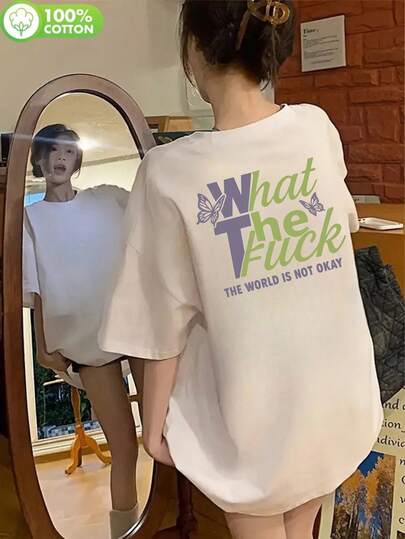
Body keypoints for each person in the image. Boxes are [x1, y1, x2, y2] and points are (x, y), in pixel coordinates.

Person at [99, 1, 384, 538]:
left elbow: (158, 323)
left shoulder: (169, 171)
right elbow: (339, 231)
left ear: (193, 49)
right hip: (335, 401)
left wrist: (152, 426)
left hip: (254, 422)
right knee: (302, 524)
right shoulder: (315, 128)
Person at [23, 124, 144, 539]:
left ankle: (171, 516)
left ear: (77, 160)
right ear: (39, 160)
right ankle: (124, 531)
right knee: (123, 445)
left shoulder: (107, 198)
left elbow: (155, 211)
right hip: (86, 343)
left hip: (134, 327)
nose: (60, 157)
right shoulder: (30, 219)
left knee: (165, 434)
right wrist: (42, 346)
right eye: (52, 151)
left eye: (69, 151)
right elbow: (33, 288)